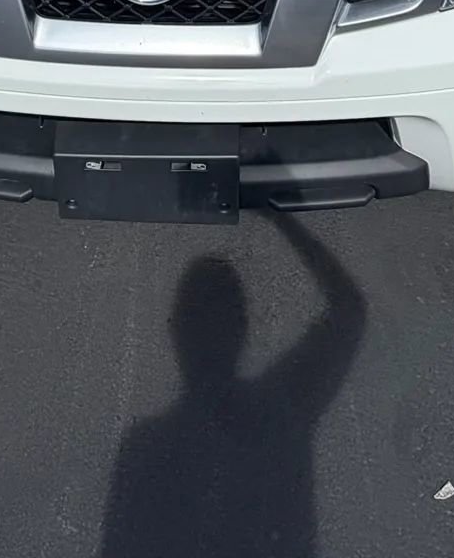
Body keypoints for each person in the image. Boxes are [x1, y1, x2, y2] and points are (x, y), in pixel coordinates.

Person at [99, 212, 367, 558]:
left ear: (176, 331)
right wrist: (281, 217)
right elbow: (349, 311)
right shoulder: (281, 412)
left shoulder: (145, 451)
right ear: (243, 330)